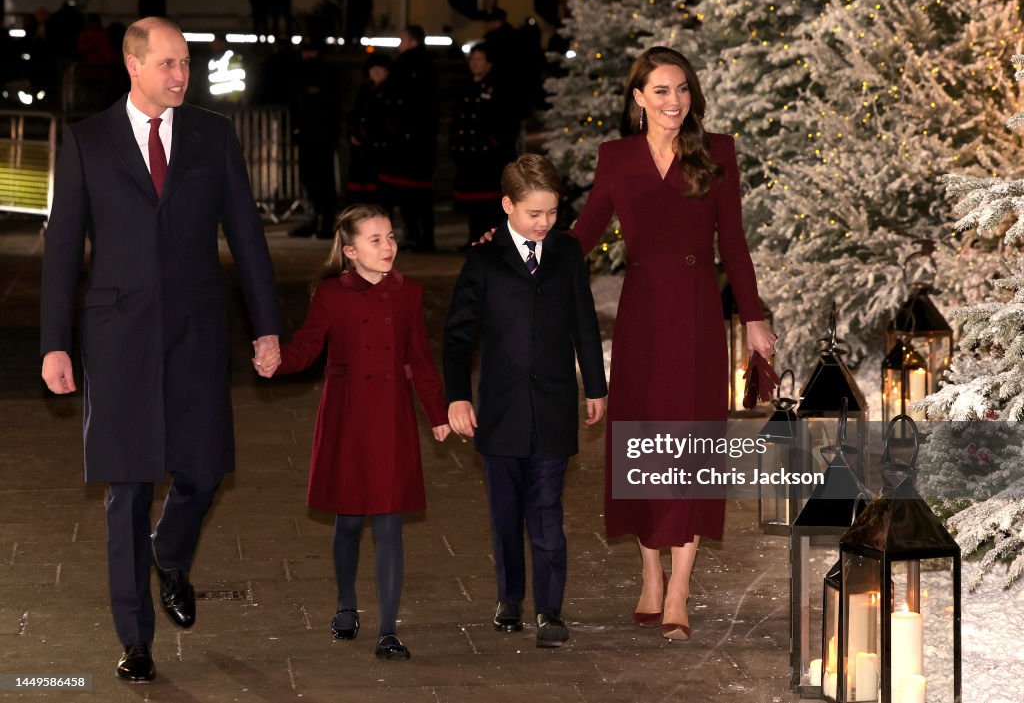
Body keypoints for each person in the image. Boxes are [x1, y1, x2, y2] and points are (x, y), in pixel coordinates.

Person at [40, 17, 282, 682]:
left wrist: (267, 325)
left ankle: (169, 553)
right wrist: (53, 344)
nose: (182, 75)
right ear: (134, 64)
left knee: (204, 470)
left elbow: (247, 236)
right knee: (127, 487)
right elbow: (63, 249)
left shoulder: (212, 135)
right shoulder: (88, 142)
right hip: (117, 338)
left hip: (197, 332)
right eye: (169, 63)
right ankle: (135, 637)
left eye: (186, 63)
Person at [570, 46, 775, 641]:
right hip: (640, 316)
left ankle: (681, 586)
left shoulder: (718, 153)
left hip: (694, 313)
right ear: (637, 97)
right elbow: (582, 235)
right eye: (660, 90)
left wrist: (754, 317)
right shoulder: (616, 158)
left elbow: (732, 242)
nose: (674, 101)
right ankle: (650, 573)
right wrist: (516, 246)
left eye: (682, 89)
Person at [261, 204, 450, 660]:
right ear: (349, 252)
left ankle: (388, 629)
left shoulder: (409, 293)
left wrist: (438, 413)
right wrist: (278, 360)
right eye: (375, 240)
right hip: (346, 416)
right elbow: (307, 347)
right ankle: (347, 604)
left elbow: (420, 359)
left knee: (389, 523)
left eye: (390, 237)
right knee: (347, 520)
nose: (388, 247)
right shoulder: (330, 295)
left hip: (391, 417)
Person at [444, 154, 608, 649]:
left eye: (552, 213)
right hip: (499, 410)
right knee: (505, 512)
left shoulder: (567, 253)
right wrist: (456, 397)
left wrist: (596, 385)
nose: (544, 224)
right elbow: (457, 336)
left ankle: (550, 610)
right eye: (534, 214)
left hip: (555, 405)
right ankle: (509, 597)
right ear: (507, 206)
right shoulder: (484, 260)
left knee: (546, 509)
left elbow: (583, 322)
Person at [449, 43, 518, 249]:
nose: (475, 64)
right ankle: (474, 238)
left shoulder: (500, 86)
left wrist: (493, 143)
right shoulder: (465, 86)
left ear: (489, 63)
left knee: (490, 203)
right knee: (472, 202)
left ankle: (492, 239)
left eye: (479, 59)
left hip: (490, 156)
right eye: (473, 59)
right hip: (469, 153)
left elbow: (507, 120)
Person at [377, 25, 439, 252]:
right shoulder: (426, 65)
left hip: (407, 140)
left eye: (402, 39)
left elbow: (399, 100)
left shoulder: (408, 65)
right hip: (418, 139)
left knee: (410, 194)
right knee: (415, 194)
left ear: (412, 41)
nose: (399, 43)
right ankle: (420, 235)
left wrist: (394, 127)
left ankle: (417, 235)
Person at [287, 37, 342, 238]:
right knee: (309, 179)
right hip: (308, 135)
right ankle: (314, 219)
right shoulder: (300, 74)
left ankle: (325, 221)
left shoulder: (323, 74)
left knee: (323, 181)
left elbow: (331, 106)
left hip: (321, 136)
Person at [344, 53, 390, 203]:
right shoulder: (364, 91)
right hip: (360, 151)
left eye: (380, 69)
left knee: (376, 196)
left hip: (378, 152)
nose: (375, 72)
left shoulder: (389, 93)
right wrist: (353, 133)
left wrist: (364, 134)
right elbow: (354, 114)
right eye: (373, 69)